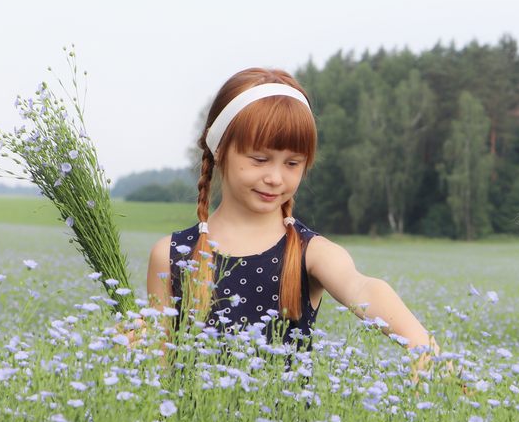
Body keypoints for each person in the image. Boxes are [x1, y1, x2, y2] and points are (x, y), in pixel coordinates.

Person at [146, 67, 434, 370]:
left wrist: (419, 343)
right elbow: (160, 367)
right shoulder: (172, 255)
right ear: (219, 149)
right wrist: (137, 349)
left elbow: (361, 288)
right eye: (259, 159)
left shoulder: (310, 252)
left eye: (292, 163)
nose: (275, 178)